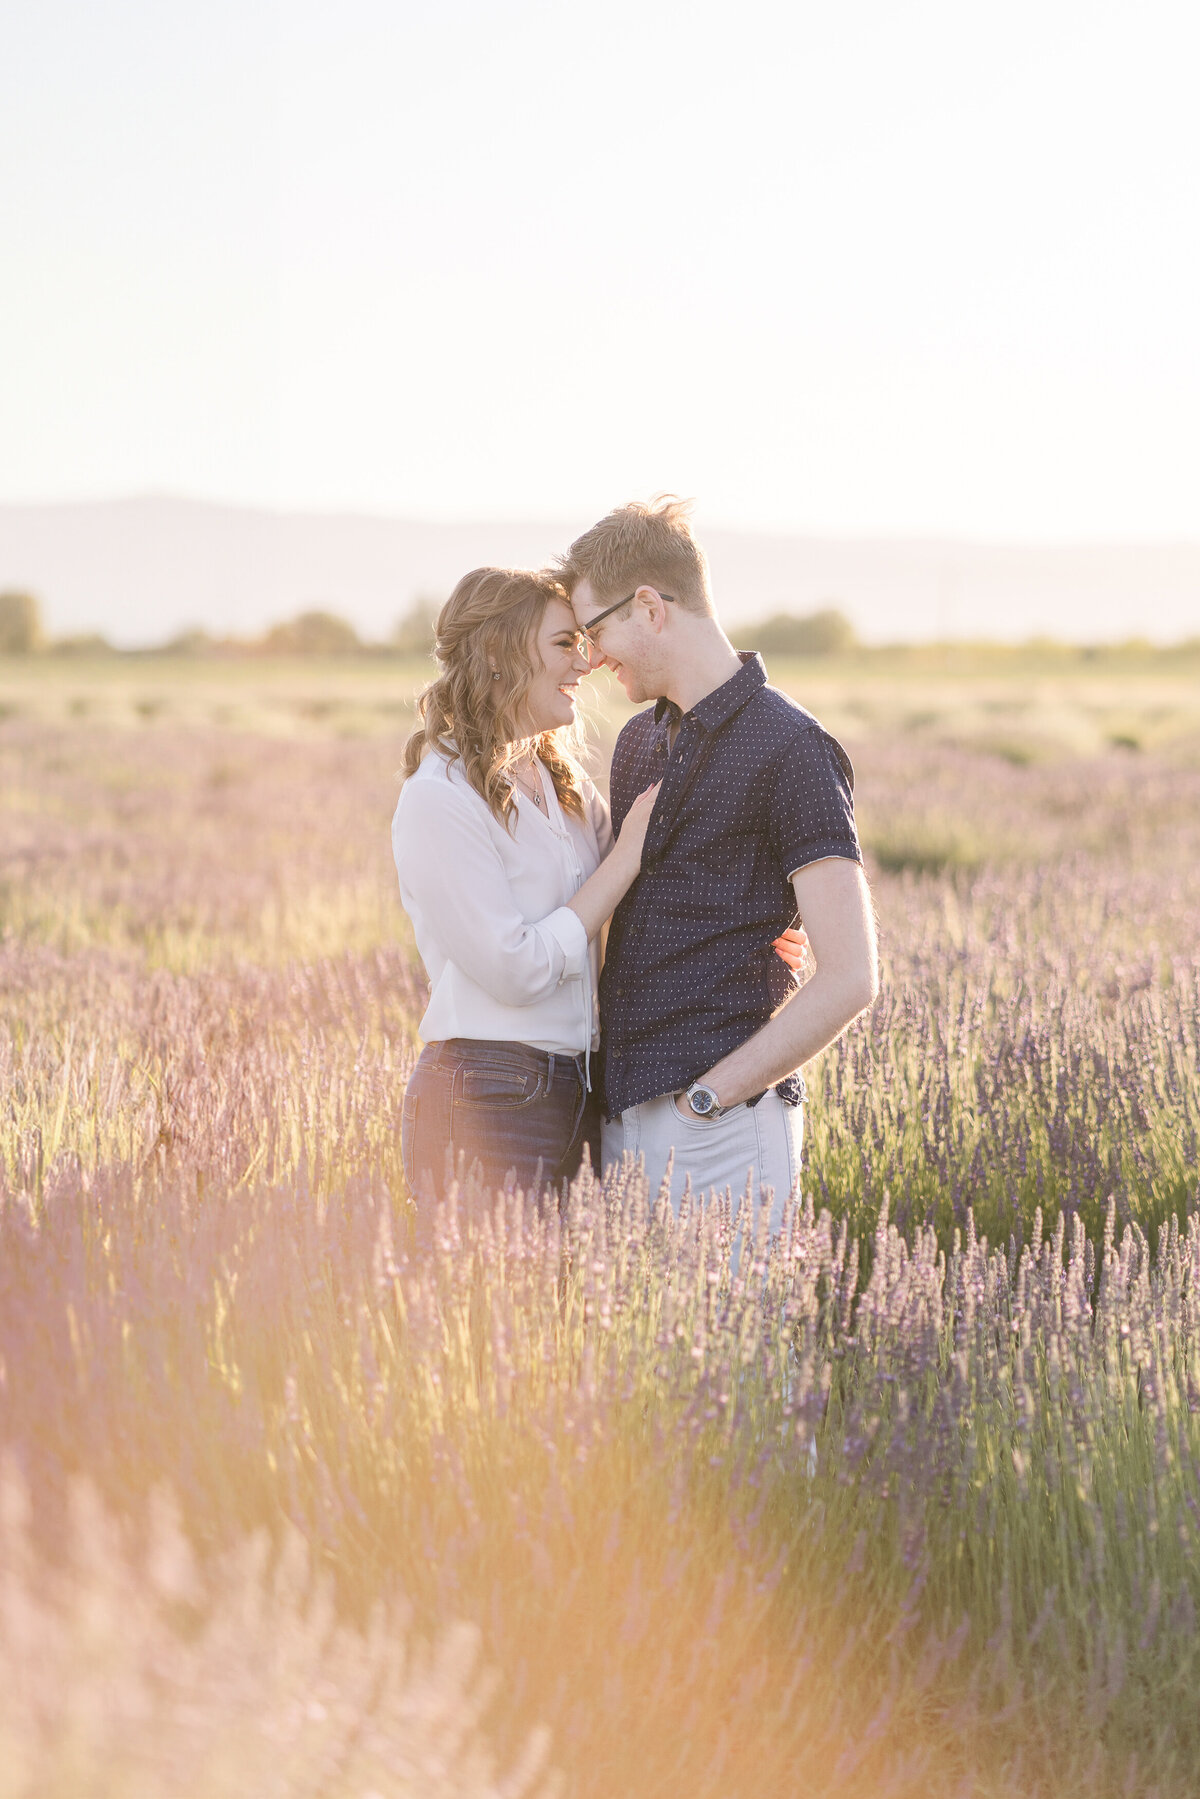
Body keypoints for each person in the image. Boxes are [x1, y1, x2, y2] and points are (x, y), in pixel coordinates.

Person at [559, 496, 879, 1240]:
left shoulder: (791, 747)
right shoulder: (639, 744)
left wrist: (710, 1099)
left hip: (721, 1135)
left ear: (649, 607)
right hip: (623, 1128)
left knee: (738, 1357)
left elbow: (851, 975)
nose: (590, 656)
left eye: (595, 630)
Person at [391, 566, 660, 1216]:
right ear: (497, 654)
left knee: (559, 1312)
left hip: (579, 1087)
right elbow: (515, 969)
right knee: (487, 1311)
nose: (587, 661)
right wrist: (622, 860)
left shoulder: (558, 780)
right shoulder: (438, 797)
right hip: (486, 1095)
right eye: (564, 643)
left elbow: (637, 885)